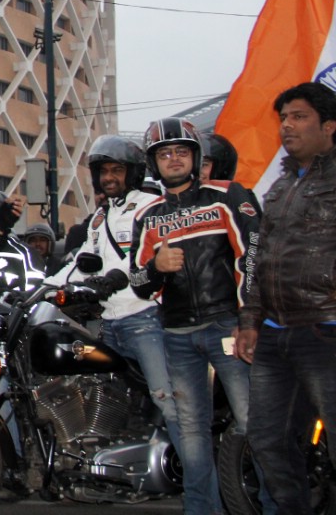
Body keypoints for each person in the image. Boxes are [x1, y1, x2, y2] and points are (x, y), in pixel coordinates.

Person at [130, 117, 267, 515]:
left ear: (197, 157)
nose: (173, 159)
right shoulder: (148, 215)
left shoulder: (228, 195)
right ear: (154, 163)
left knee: (251, 424)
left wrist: (248, 321)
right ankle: (201, 510)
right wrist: (157, 265)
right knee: (190, 432)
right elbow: (139, 282)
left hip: (229, 326)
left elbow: (254, 256)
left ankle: (276, 506)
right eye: (165, 154)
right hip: (175, 334)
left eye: (182, 152)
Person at [43, 135, 181, 455]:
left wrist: (109, 281)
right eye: (103, 171)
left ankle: (191, 471)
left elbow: (137, 257)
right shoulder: (101, 218)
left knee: (167, 399)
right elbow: (81, 263)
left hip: (144, 317)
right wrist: (41, 290)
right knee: (111, 400)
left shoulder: (149, 207)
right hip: (109, 322)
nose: (108, 178)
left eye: (116, 170)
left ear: (131, 172)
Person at [237, 82, 336, 513]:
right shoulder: (278, 188)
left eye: (298, 117)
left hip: (325, 330)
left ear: (329, 126)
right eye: (284, 118)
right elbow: (261, 262)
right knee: (266, 439)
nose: (287, 126)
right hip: (276, 335)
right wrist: (249, 321)